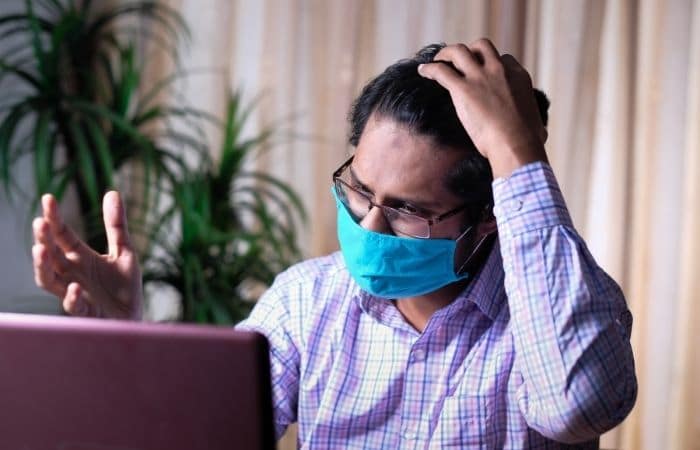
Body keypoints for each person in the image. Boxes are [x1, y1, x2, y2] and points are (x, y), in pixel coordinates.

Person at [31, 39, 637, 449]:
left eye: (407, 210)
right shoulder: (306, 300)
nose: (368, 226)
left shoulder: (558, 309)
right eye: (360, 189)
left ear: (488, 220)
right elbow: (201, 436)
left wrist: (517, 155)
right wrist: (125, 342)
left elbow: (577, 406)